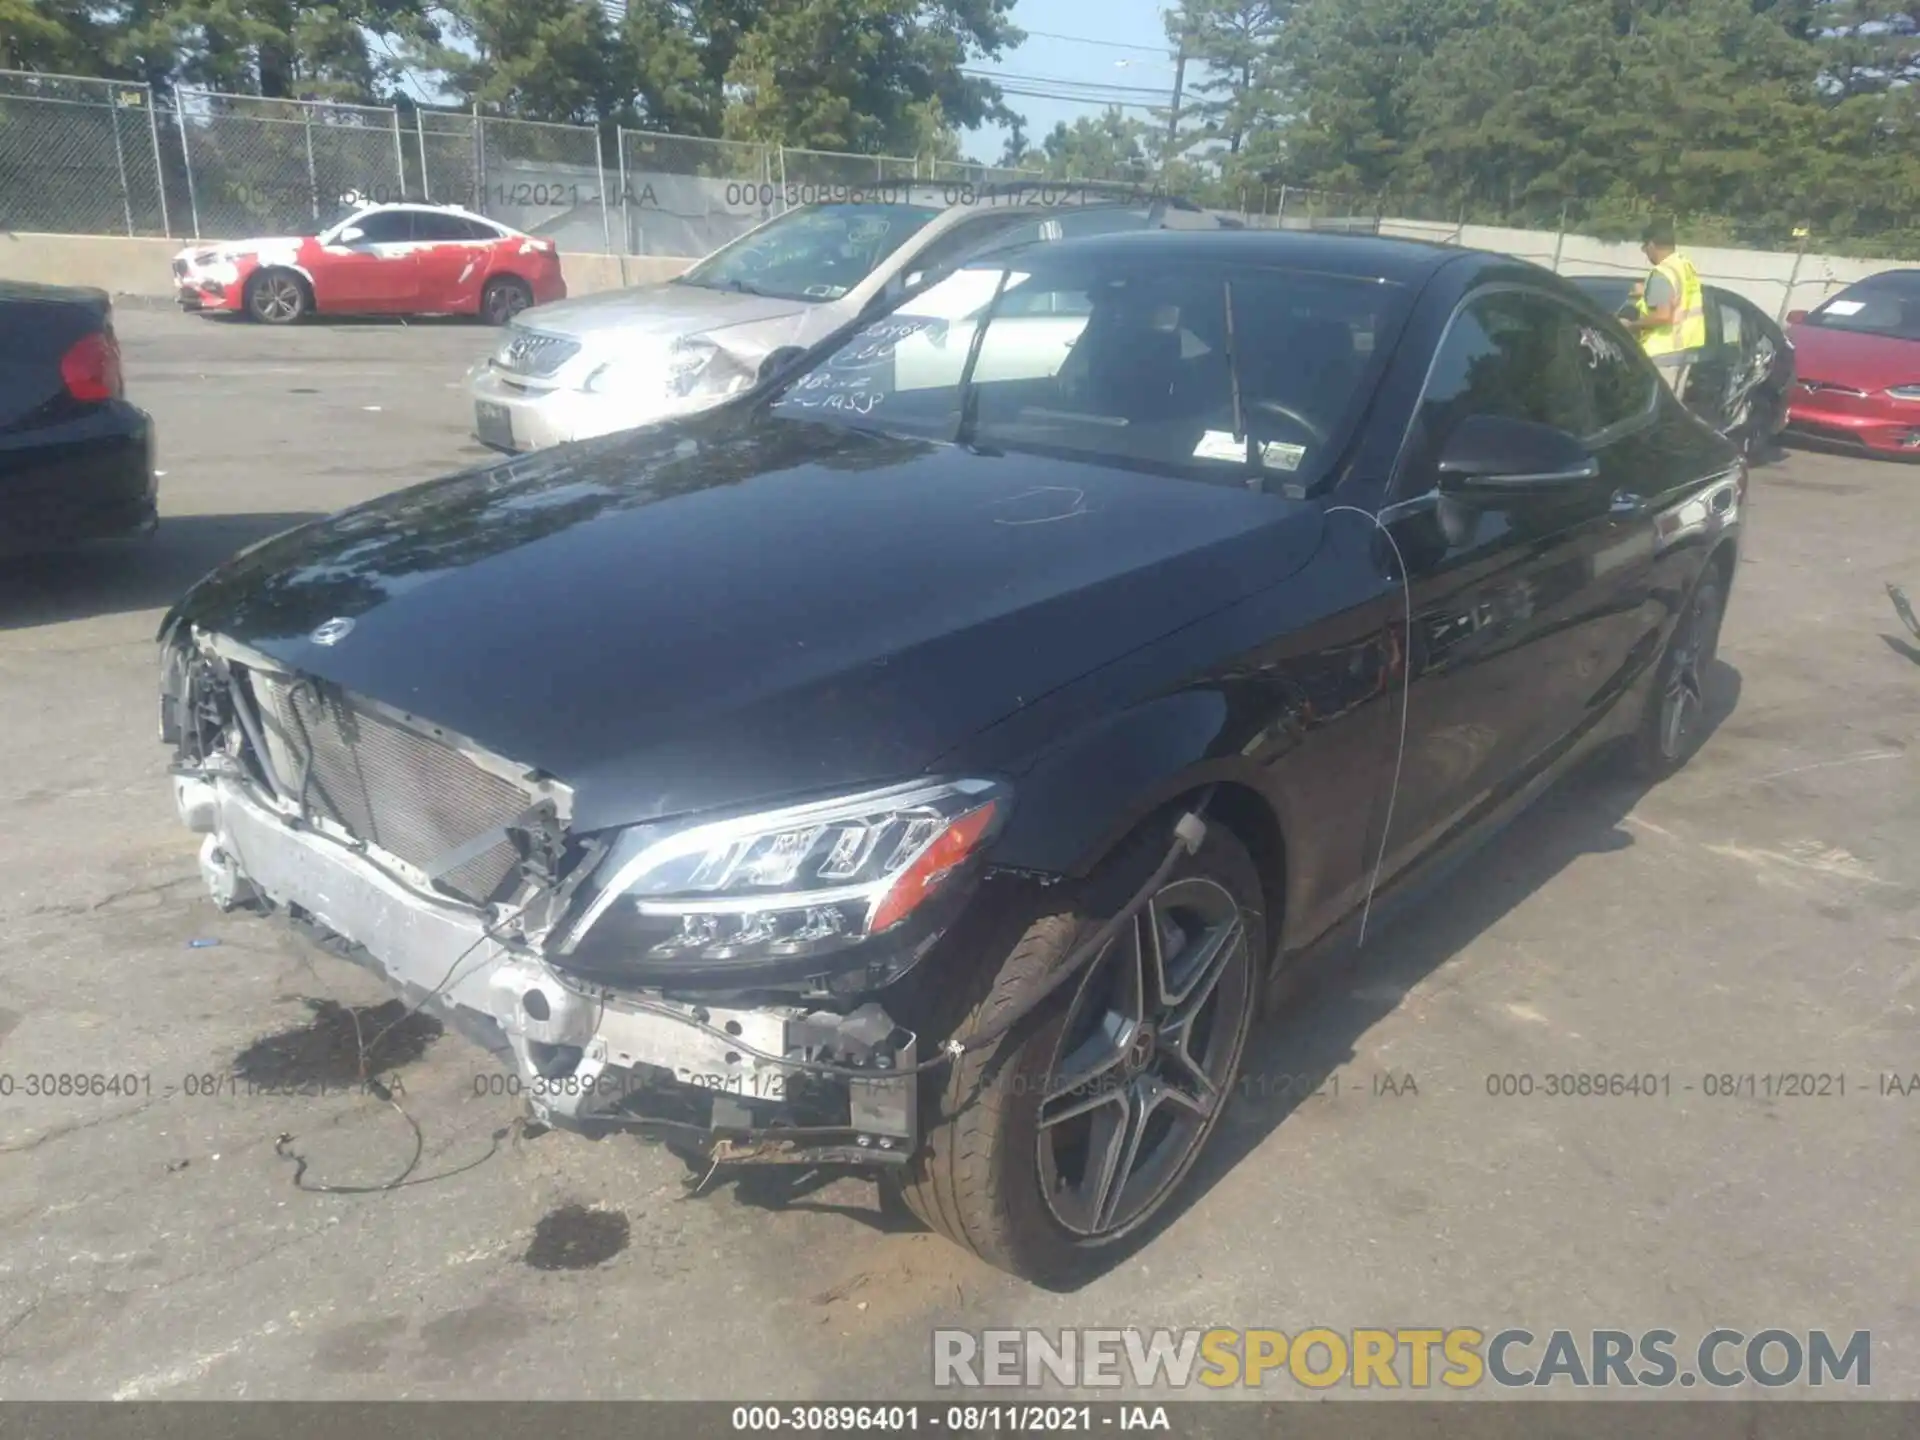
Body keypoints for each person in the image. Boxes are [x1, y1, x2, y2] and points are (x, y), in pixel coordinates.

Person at [1623, 218, 1707, 398]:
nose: (1646, 253)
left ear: (1652, 244)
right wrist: (1645, 290)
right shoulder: (1684, 265)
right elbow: (1679, 297)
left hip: (1662, 352)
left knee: (1655, 407)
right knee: (1672, 406)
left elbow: (1662, 316)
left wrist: (1630, 326)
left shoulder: (1661, 273)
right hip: (1685, 349)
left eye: (1644, 248)